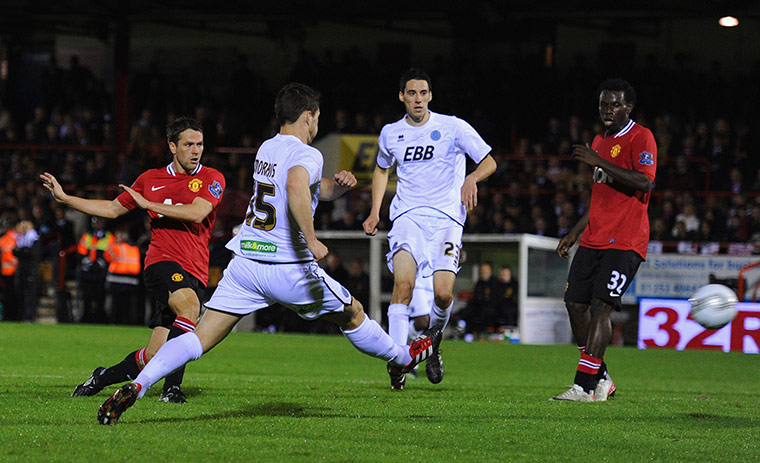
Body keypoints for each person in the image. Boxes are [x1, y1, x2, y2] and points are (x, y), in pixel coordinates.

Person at [96, 82, 441, 425]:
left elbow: (303, 186)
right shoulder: (309, 153)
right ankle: (402, 357)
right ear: (308, 116)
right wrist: (312, 238)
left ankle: (139, 385)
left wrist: (334, 187)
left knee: (198, 338)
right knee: (353, 313)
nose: (317, 123)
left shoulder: (268, 148)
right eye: (317, 117)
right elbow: (294, 186)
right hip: (288, 267)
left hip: (245, 264)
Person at [40, 116, 226, 403]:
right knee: (190, 305)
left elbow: (197, 213)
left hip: (195, 269)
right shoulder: (150, 179)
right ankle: (171, 389)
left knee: (154, 355)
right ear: (172, 147)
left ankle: (101, 377)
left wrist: (148, 204)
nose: (196, 150)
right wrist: (67, 199)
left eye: (199, 144)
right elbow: (113, 209)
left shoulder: (212, 177)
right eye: (189, 144)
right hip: (161, 262)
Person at [363, 68, 496, 389]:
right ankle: (398, 363)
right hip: (407, 217)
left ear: (431, 96)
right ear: (402, 97)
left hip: (448, 220)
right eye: (412, 93)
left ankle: (432, 344)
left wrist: (472, 178)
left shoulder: (453, 127)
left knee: (443, 293)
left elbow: (489, 161)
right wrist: (374, 212)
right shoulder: (390, 133)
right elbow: (382, 171)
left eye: (423, 93)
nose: (418, 99)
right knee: (402, 289)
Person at [552, 78, 656, 402]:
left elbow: (645, 182)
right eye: (603, 104)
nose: (607, 110)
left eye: (614, 105)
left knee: (601, 307)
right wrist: (574, 232)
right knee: (574, 304)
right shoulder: (599, 140)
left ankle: (583, 386)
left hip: (625, 240)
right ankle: (601, 376)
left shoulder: (642, 137)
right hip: (594, 237)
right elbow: (600, 197)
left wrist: (599, 162)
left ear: (629, 107)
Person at [76, 216, 113, 324]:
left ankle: (99, 318)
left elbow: (111, 252)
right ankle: (86, 318)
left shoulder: (108, 236)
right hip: (87, 271)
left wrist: (101, 262)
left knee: (100, 297)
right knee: (86, 296)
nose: (98, 224)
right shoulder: (87, 236)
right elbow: (80, 251)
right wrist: (87, 261)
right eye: (96, 222)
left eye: (100, 221)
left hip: (101, 271)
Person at [104, 229, 142, 325]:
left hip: (125, 280)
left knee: (125, 305)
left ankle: (123, 322)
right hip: (121, 280)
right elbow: (107, 256)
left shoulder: (131, 247)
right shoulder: (119, 247)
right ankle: (116, 322)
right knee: (118, 305)